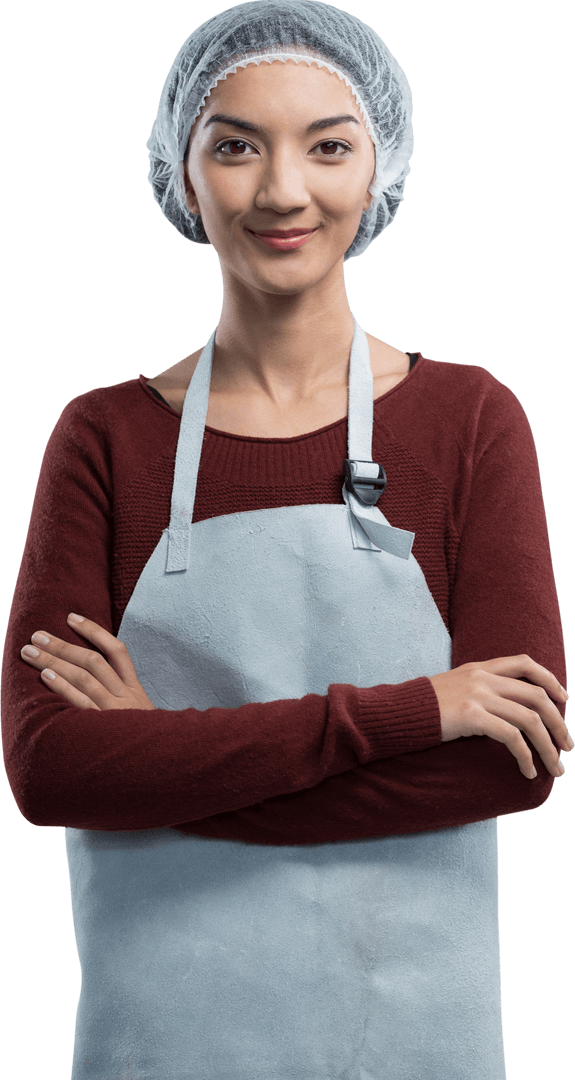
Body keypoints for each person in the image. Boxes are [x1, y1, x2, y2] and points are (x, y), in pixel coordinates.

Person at [0, 2, 570, 1077]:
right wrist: (417, 712)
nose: (280, 192)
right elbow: (50, 768)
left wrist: (168, 776)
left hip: (410, 1044)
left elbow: (512, 767)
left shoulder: (468, 419)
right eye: (234, 146)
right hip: (163, 1045)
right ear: (181, 171)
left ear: (378, 166)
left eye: (327, 145)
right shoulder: (106, 438)